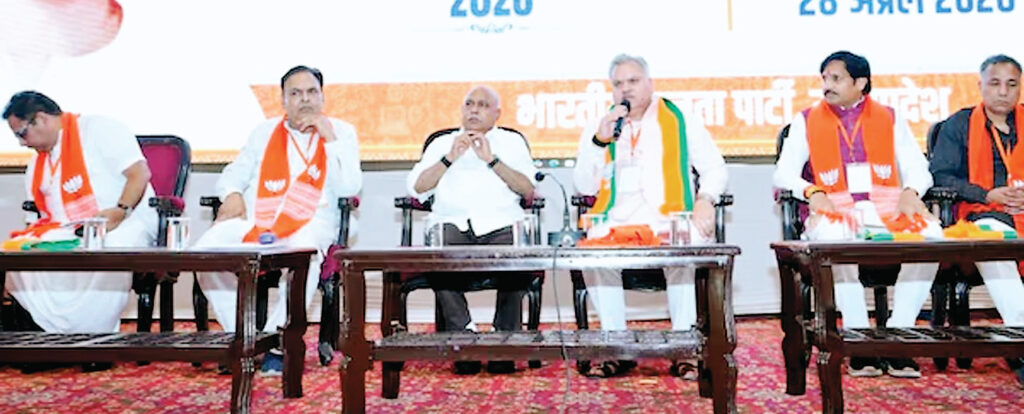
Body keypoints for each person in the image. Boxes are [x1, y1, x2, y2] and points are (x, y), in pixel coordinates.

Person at [774, 51, 940, 379]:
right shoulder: (806, 119)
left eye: (836, 78)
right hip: (836, 210)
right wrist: (812, 191)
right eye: (825, 78)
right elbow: (783, 173)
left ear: (860, 83)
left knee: (933, 237)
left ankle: (898, 337)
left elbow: (918, 167)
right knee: (834, 241)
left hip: (885, 209)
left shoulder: (890, 117)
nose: (827, 85)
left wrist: (911, 191)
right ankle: (859, 339)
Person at [193, 65, 362, 376]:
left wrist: (330, 140)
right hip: (258, 222)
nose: (305, 99)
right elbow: (234, 172)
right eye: (295, 93)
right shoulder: (264, 132)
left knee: (305, 254)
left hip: (311, 222)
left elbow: (350, 187)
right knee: (204, 252)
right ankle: (243, 336)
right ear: (283, 100)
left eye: (311, 92)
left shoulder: (342, 131)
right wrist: (231, 193)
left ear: (322, 97)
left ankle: (277, 342)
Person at [572, 54, 728, 378]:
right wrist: (599, 141)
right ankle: (615, 346)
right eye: (618, 83)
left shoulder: (680, 118)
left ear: (650, 83)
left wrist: (706, 200)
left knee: (686, 243)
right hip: (617, 220)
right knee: (592, 251)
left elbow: (714, 167)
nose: (626, 89)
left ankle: (684, 348)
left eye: (633, 81)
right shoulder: (602, 125)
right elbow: (584, 186)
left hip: (668, 216)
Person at [3, 91, 157, 370]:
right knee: (19, 252)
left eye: (22, 134)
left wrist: (120, 210)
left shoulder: (99, 129)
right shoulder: (38, 163)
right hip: (68, 229)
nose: (22, 143)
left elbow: (140, 174)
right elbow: (36, 216)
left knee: (103, 248)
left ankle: (96, 343)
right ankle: (48, 340)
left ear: (41, 119)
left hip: (126, 219)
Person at [405, 85, 538, 375]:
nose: (474, 110)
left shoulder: (512, 142)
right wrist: (448, 158)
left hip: (500, 224)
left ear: (497, 114)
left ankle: (504, 342)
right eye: (469, 104)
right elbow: (417, 187)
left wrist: (492, 160)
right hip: (452, 224)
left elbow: (528, 189)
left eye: (483, 105)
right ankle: (463, 337)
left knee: (518, 253)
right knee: (437, 250)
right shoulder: (442, 143)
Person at [929, 54, 1024, 387]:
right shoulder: (959, 125)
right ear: (980, 85)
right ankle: (1021, 341)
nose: (1003, 92)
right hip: (981, 214)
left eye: (1012, 84)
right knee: (994, 243)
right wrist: (986, 194)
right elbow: (940, 176)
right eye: (995, 83)